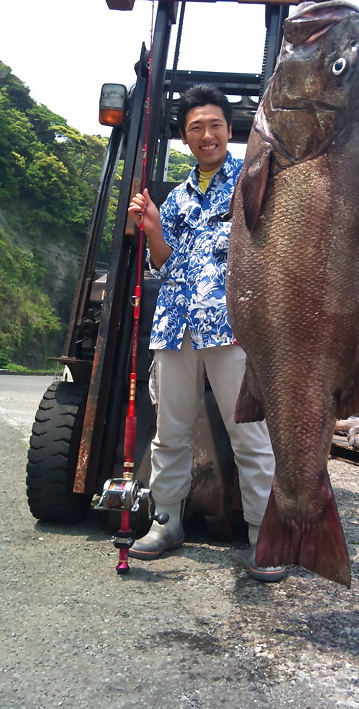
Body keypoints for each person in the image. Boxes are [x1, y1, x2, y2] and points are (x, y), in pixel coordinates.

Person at [126, 84, 285, 583]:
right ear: (184, 136)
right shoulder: (175, 196)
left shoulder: (254, 180)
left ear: (229, 130)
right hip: (175, 324)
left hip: (232, 326)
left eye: (214, 124)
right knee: (169, 433)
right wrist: (153, 227)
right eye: (196, 127)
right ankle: (166, 521)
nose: (206, 134)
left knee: (250, 436)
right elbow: (162, 262)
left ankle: (265, 533)